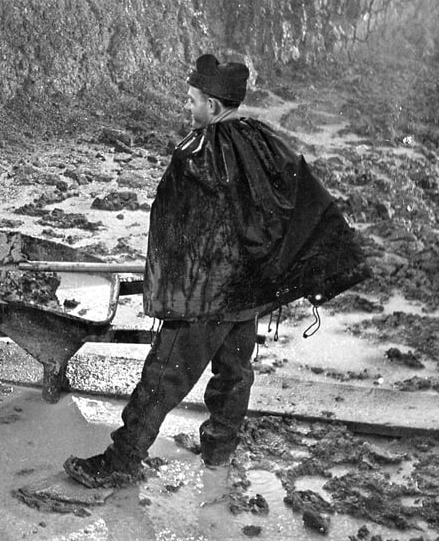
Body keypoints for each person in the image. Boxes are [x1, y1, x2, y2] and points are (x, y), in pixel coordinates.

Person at [62, 53, 369, 488]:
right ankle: (218, 458)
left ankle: (121, 461)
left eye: (192, 100)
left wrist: (169, 286)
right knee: (235, 375)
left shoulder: (196, 154)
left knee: (162, 378)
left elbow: (175, 225)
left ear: (212, 102)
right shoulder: (265, 142)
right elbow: (297, 200)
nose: (188, 108)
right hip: (248, 292)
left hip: (206, 296)